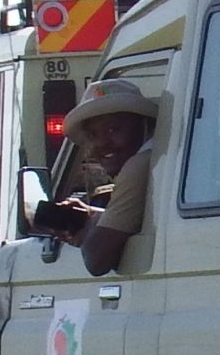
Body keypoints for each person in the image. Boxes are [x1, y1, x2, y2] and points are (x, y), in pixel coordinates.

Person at [38, 78, 160, 276]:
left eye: (113, 129)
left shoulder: (138, 165)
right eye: (93, 135)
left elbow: (97, 260)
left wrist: (88, 231)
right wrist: (96, 218)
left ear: (144, 125)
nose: (101, 143)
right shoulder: (157, 158)